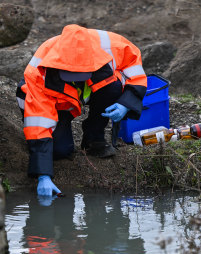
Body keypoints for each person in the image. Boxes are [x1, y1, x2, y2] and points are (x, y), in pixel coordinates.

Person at [16, 24, 147, 201]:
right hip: (55, 102)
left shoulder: (114, 46)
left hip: (87, 90)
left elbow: (135, 73)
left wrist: (126, 103)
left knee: (114, 85)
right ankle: (61, 131)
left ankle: (94, 138)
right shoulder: (40, 74)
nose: (76, 78)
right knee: (60, 151)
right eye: (71, 74)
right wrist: (43, 175)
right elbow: (39, 123)